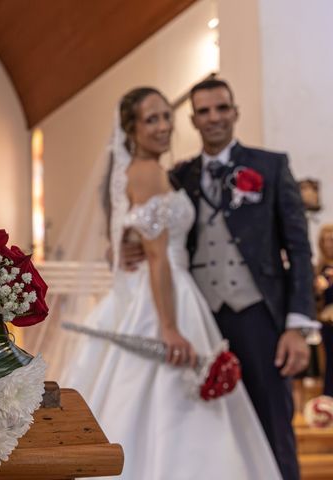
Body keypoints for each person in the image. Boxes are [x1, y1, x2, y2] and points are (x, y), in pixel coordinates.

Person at [63, 87, 281, 479]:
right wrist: (168, 327)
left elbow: (137, 237)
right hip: (165, 297)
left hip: (169, 289)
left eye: (167, 116)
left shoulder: (159, 171)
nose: (163, 126)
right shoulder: (147, 173)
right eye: (152, 119)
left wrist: (122, 248)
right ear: (131, 128)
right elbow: (159, 255)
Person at [120, 79, 317, 480]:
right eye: (204, 111)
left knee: (272, 427)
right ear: (192, 119)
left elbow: (299, 250)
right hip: (202, 319)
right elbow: (154, 229)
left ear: (234, 112)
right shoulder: (178, 175)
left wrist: (297, 325)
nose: (214, 118)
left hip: (259, 317)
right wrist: (127, 246)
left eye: (221, 108)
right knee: (214, 431)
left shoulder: (271, 165)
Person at [315, 224, 333, 397]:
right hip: (328, 323)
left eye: (332, 240)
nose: (329, 244)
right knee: (329, 361)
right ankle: (329, 398)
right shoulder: (318, 269)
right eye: (326, 241)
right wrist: (318, 290)